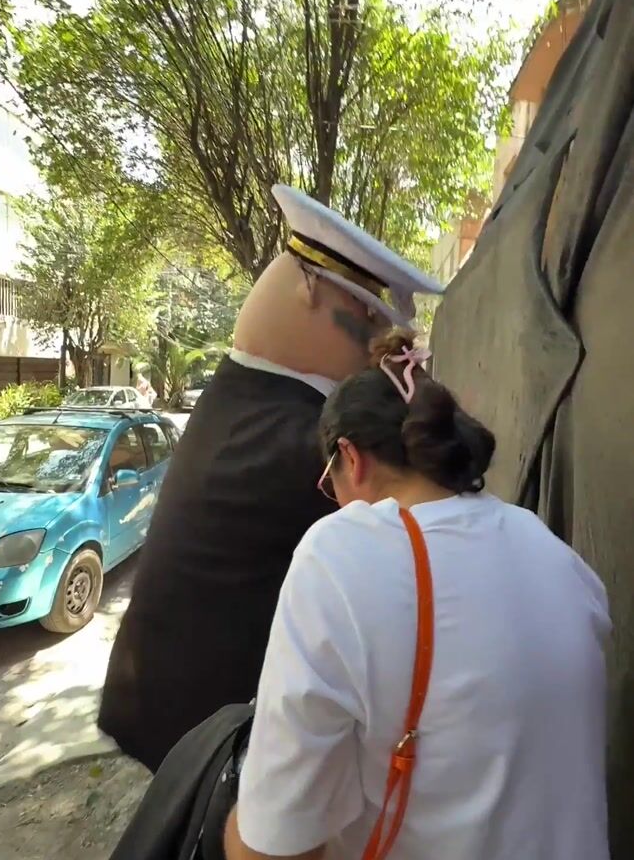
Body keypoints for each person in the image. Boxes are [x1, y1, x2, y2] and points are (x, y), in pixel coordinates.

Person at [225, 328, 611, 860]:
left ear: (350, 458)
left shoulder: (340, 553)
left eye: (330, 483)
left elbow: (270, 849)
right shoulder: (555, 552)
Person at [98, 186, 443, 772]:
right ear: (308, 289)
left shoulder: (247, 398)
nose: (374, 337)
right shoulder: (300, 435)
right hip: (210, 746)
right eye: (365, 311)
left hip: (177, 721)